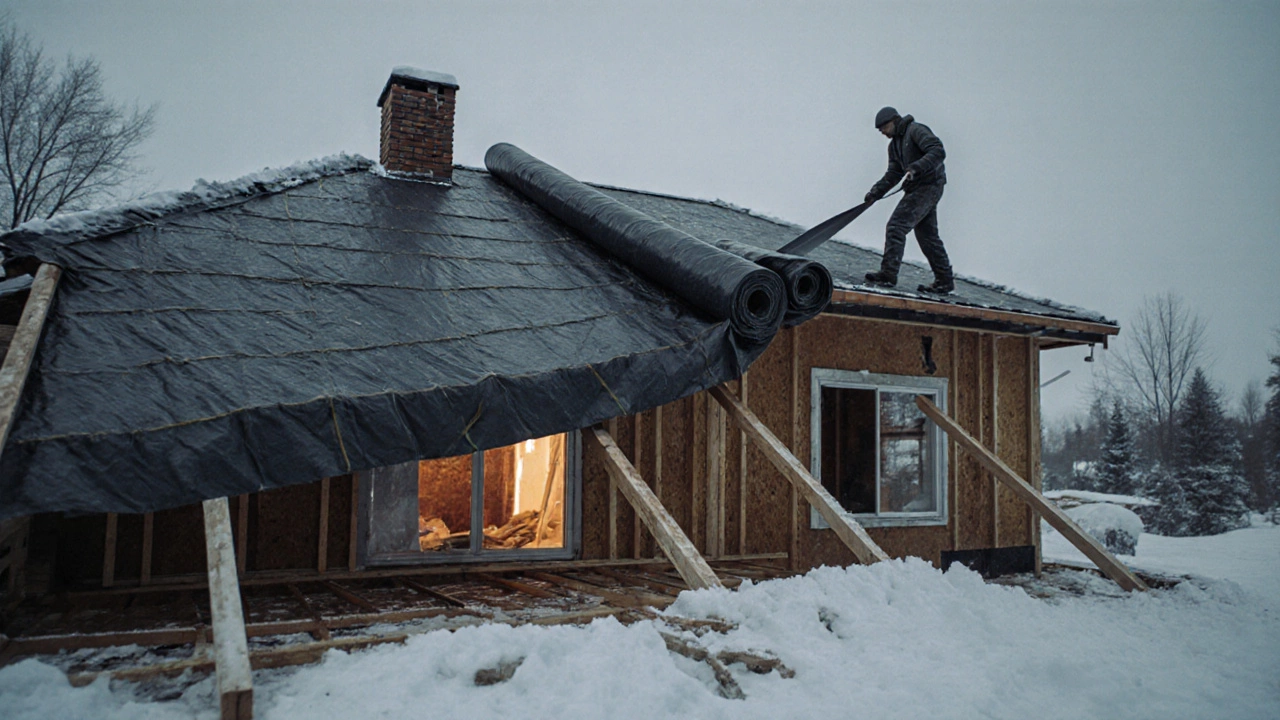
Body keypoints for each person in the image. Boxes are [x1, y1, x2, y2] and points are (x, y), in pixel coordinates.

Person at [863, 106, 954, 294]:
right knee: (927, 236)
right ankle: (944, 281)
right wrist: (875, 192)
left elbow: (938, 151)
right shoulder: (894, 146)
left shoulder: (916, 130)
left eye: (884, 128)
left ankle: (888, 275)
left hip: (929, 186)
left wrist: (916, 167)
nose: (883, 132)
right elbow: (893, 173)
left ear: (894, 121)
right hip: (917, 188)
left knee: (896, 226)